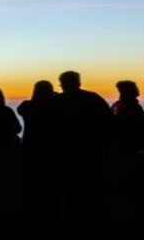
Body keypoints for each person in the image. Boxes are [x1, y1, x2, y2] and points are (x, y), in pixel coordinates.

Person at [53, 70, 113, 218]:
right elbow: (109, 122)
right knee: (94, 186)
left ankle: (74, 216)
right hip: (93, 150)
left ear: (61, 84)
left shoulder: (56, 102)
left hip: (65, 152)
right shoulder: (92, 98)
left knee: (70, 187)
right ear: (78, 82)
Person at [17, 80, 59, 219]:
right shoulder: (55, 106)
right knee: (50, 181)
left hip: (30, 146)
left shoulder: (26, 106)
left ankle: (30, 211)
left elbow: (21, 110)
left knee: (31, 181)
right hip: (51, 148)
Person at [111, 80, 144, 155]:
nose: (137, 89)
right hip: (130, 147)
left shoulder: (117, 105)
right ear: (128, 91)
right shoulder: (130, 106)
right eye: (135, 88)